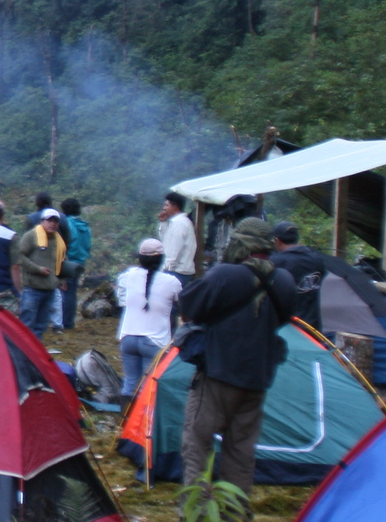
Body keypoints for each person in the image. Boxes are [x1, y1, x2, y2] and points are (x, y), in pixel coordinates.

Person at [174, 217, 299, 504]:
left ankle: (196, 516)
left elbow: (189, 306)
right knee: (241, 448)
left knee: (197, 442)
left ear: (241, 243)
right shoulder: (284, 280)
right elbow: (285, 319)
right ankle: (235, 516)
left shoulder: (224, 275)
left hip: (218, 372)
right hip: (258, 376)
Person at [114, 238, 180, 396]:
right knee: (147, 389)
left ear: (140, 258)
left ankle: (125, 420)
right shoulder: (172, 282)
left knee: (129, 383)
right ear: (161, 259)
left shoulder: (126, 277)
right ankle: (143, 421)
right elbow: (183, 305)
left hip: (128, 338)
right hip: (154, 342)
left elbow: (122, 300)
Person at [12, 207, 67, 339]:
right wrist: (37, 269)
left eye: (55, 221)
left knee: (41, 326)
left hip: (50, 290)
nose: (53, 224)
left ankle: (36, 355)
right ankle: (23, 354)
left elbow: (62, 260)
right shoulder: (31, 236)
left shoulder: (58, 241)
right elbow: (19, 256)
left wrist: (62, 279)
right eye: (49, 220)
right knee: (27, 325)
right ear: (42, 221)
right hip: (32, 289)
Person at [268, 221, 326, 331]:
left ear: (277, 240)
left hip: (288, 328)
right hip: (313, 328)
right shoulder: (316, 259)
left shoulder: (276, 262)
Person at [58, 197, 93, 330]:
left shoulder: (66, 224)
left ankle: (64, 323)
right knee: (71, 292)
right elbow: (88, 245)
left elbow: (62, 245)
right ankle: (69, 321)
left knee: (64, 292)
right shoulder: (85, 226)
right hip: (80, 262)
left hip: (68, 261)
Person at [158, 193, 198, 283]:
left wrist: (165, 271)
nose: (164, 208)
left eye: (167, 205)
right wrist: (163, 223)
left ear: (175, 207)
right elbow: (166, 241)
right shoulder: (177, 222)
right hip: (178, 272)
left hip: (177, 273)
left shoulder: (179, 224)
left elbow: (173, 251)